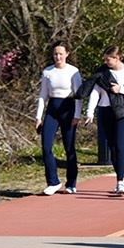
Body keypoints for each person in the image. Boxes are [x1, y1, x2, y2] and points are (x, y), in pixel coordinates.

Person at [84, 45, 124, 196]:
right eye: (104, 59)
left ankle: (121, 181)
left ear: (117, 58)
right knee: (112, 146)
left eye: (108, 59)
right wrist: (90, 112)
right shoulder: (102, 73)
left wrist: (121, 89)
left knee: (119, 145)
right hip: (105, 111)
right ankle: (119, 178)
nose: (106, 62)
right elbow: (95, 92)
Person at [33, 41, 83, 194]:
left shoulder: (73, 72)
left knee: (69, 147)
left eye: (61, 54)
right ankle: (53, 181)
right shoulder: (48, 72)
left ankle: (71, 183)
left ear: (67, 54)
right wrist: (38, 117)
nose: (58, 57)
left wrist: (77, 115)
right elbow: (43, 95)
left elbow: (79, 96)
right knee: (46, 146)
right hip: (52, 109)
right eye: (55, 54)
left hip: (68, 108)